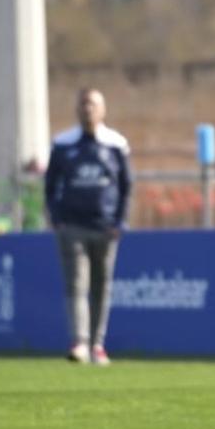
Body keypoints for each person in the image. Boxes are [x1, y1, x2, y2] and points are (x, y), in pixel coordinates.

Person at [44, 87, 132, 366]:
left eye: (93, 104)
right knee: (76, 285)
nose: (88, 109)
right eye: (83, 104)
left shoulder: (115, 144)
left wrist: (119, 221)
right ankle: (79, 342)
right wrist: (57, 219)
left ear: (103, 109)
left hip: (105, 228)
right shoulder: (63, 143)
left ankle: (98, 345)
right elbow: (50, 185)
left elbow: (126, 186)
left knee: (101, 287)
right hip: (72, 227)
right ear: (77, 108)